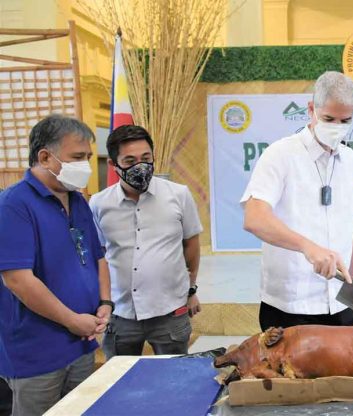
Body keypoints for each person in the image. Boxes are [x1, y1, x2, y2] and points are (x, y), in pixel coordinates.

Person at [0, 115, 111, 415]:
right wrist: (71, 320)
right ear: (45, 156)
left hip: (82, 341)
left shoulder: (77, 201)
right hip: (37, 352)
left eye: (88, 157)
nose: (86, 166)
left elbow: (98, 255)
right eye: (78, 157)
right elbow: (18, 280)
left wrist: (104, 302)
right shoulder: (14, 205)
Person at [241, 71, 353, 330]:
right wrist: (307, 247)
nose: (337, 127)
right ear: (311, 109)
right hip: (290, 306)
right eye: (328, 118)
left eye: (346, 120)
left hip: (339, 302)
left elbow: (352, 229)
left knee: (341, 372)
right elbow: (254, 218)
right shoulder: (280, 154)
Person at [89, 125, 203, 358]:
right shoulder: (99, 204)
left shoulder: (178, 195)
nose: (140, 165)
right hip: (120, 314)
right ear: (113, 165)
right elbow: (97, 257)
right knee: (119, 382)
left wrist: (191, 289)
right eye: (129, 160)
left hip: (170, 311)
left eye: (146, 158)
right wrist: (102, 301)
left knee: (173, 378)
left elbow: (191, 243)